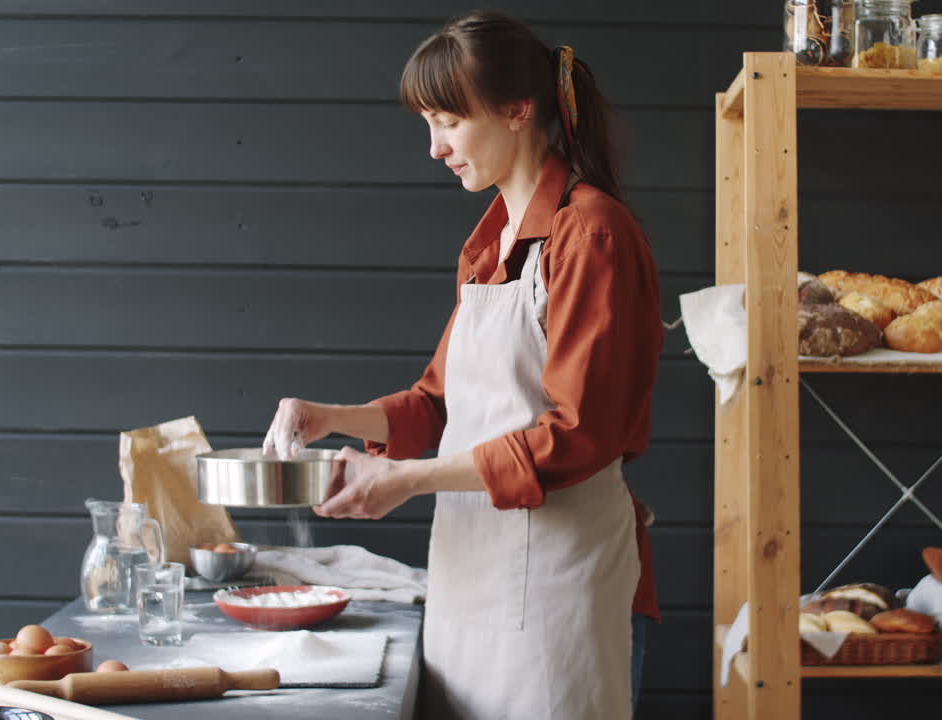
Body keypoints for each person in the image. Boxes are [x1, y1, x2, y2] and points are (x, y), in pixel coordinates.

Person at [261, 10, 662, 719]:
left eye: (447, 120)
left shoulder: (592, 232)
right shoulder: (489, 246)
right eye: (427, 124)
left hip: (556, 587)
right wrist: (330, 417)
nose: (435, 147)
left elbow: (577, 434)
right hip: (468, 572)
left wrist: (408, 478)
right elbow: (437, 403)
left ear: (517, 110)